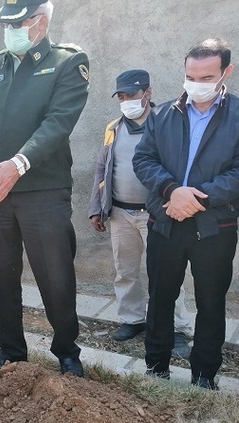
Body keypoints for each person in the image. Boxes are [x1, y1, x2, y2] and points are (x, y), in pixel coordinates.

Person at [0, 0, 89, 379]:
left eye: (17, 24)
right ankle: (11, 352)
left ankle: (67, 352)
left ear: (41, 23)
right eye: (6, 24)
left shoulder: (67, 62)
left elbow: (58, 123)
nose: (9, 31)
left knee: (55, 276)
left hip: (42, 192)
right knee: (0, 276)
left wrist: (18, 164)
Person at [133, 38, 239, 390]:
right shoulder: (163, 115)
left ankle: (204, 375)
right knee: (161, 298)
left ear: (226, 72)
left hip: (214, 227)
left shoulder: (237, 116)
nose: (197, 84)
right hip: (166, 221)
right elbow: (143, 159)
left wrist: (195, 199)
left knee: (211, 302)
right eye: (191, 77)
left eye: (207, 77)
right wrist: (171, 191)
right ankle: (156, 367)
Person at [88, 69, 193, 357]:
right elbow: (102, 169)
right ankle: (132, 319)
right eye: (121, 96)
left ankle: (177, 328)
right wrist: (97, 208)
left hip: (157, 214)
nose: (126, 101)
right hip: (121, 213)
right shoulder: (113, 129)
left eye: (131, 95)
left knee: (167, 274)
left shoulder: (167, 123)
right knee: (125, 271)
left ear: (148, 92)